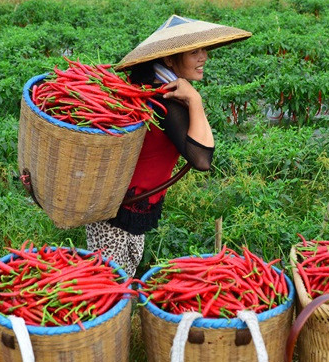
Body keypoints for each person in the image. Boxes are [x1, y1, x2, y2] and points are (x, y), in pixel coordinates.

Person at [85, 15, 252, 277]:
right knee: (111, 287)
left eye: (203, 50)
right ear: (169, 59)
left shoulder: (151, 85)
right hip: (117, 210)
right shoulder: (163, 100)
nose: (204, 57)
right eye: (194, 51)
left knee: (120, 279)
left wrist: (193, 99)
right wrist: (195, 100)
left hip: (123, 204)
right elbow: (201, 159)